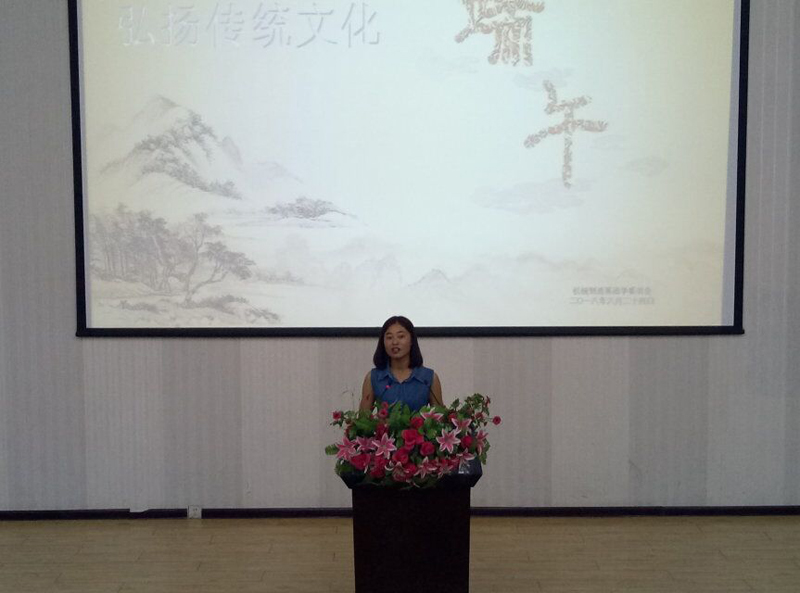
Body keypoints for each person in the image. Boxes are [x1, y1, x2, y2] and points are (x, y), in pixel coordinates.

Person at [359, 315, 444, 412]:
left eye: (401, 336)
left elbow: (439, 417)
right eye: (389, 337)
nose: (395, 342)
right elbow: (363, 418)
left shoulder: (429, 378)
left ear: (412, 340)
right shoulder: (373, 377)